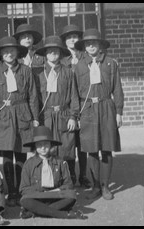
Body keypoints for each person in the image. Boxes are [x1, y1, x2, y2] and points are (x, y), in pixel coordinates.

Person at [0, 36, 39, 206]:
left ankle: (22, 189)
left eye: (12, 50)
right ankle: (12, 191)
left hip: (22, 112)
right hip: (2, 113)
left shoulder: (25, 70)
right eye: (5, 51)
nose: (9, 54)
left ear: (17, 52)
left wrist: (34, 118)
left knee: (21, 153)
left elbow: (32, 95)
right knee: (6, 152)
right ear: (1, 54)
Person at [74, 29, 124, 200]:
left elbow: (117, 89)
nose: (91, 46)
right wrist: (76, 115)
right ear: (84, 47)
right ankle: (95, 185)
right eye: (88, 44)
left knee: (107, 148)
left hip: (106, 107)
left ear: (101, 45)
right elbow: (74, 93)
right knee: (91, 149)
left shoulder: (110, 63)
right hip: (87, 109)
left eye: (94, 43)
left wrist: (119, 112)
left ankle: (105, 186)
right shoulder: (79, 65)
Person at [33, 35, 80, 186]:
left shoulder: (68, 72)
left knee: (66, 149)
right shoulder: (38, 73)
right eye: (50, 51)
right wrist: (36, 119)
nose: (53, 54)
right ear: (45, 54)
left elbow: (74, 96)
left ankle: (70, 180)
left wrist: (73, 116)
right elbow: (34, 98)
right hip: (46, 116)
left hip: (64, 115)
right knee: (46, 148)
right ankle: (48, 180)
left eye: (56, 51)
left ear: (60, 54)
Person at [19, 126, 86, 220]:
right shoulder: (28, 164)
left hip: (55, 196)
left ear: (51, 145)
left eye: (46, 144)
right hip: (37, 197)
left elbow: (69, 184)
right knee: (25, 200)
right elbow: (23, 188)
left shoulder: (60, 161)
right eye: (39, 144)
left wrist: (56, 190)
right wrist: (40, 193)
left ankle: (34, 211)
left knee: (71, 196)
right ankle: (63, 215)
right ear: (35, 146)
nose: (43, 148)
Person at [59, 24, 91, 188]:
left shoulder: (85, 57)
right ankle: (71, 174)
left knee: (83, 142)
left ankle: (83, 175)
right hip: (70, 103)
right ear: (64, 41)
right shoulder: (62, 59)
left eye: (75, 37)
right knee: (69, 141)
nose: (72, 40)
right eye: (68, 37)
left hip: (84, 102)